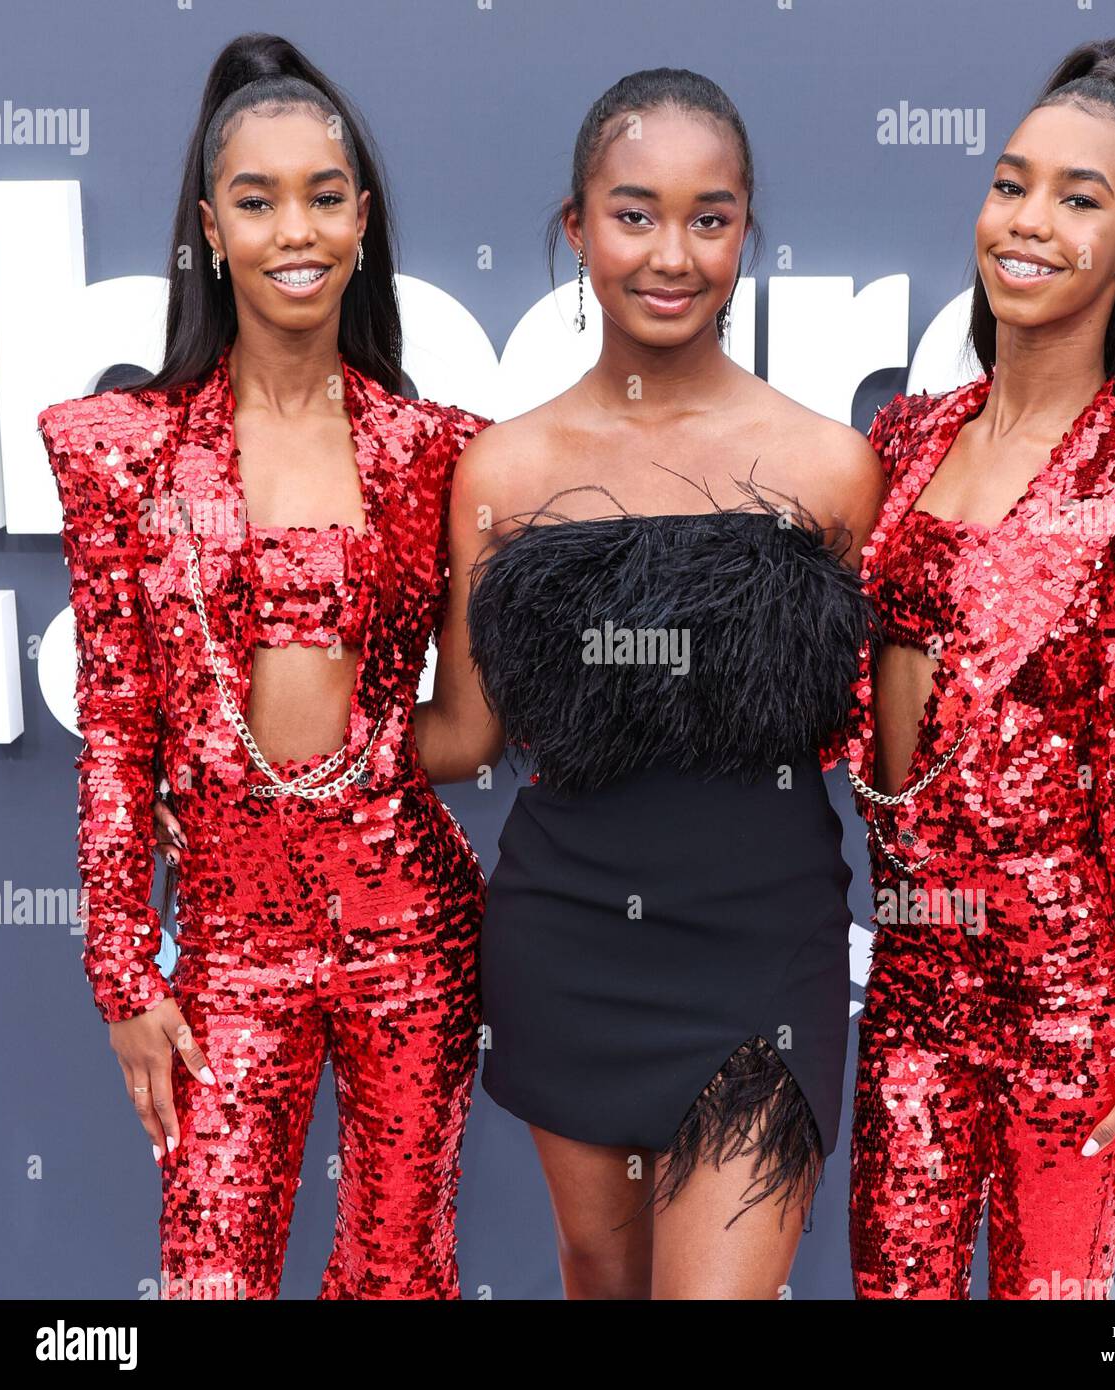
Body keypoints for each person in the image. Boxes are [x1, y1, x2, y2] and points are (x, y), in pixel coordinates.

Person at [414, 67, 883, 1300]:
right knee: (600, 1281)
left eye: (710, 217)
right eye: (634, 214)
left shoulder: (832, 468)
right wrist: (234, 759)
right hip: (566, 944)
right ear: (576, 229)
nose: (672, 254)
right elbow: (463, 736)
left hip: (761, 954)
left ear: (746, 234)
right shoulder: (501, 473)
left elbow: (895, 755)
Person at [41, 33, 490, 1300]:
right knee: (212, 1271)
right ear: (211, 227)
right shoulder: (124, 454)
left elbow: (470, 722)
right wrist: (127, 969)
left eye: (324, 195)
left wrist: (343, 784)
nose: (294, 228)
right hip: (231, 942)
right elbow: (121, 725)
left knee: (401, 1268)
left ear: (361, 219)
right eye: (257, 199)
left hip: (414, 930)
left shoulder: (438, 451)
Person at [836, 38, 1115, 1299]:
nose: (1027, 222)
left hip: (1066, 1002)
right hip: (912, 973)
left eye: (1079, 199)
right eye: (1010, 183)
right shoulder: (902, 440)